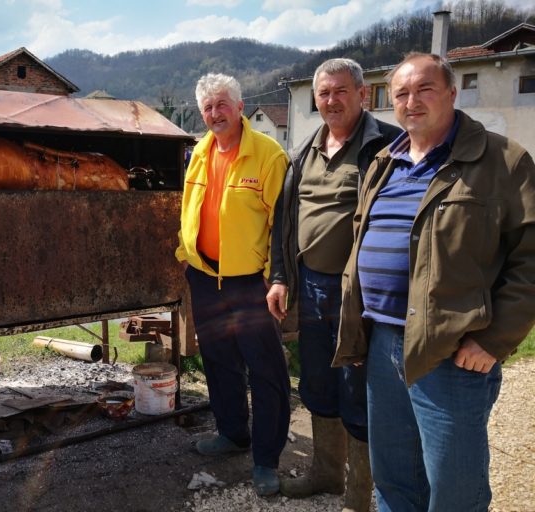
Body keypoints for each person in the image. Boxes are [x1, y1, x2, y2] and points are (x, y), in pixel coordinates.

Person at [333, 52, 535, 511]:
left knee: (453, 491)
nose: (411, 101)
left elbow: (530, 259)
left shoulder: (501, 161)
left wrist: (495, 339)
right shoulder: (384, 162)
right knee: (394, 482)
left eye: (424, 89)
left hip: (450, 351)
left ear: (451, 93)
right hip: (382, 342)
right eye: (401, 93)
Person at [266, 58, 399, 511]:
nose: (330, 100)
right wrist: (281, 277)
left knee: (358, 389)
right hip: (312, 288)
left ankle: (359, 493)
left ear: (363, 94)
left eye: (340, 91)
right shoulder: (305, 151)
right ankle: (325, 473)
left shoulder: (386, 146)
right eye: (323, 93)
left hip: (361, 294)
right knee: (319, 383)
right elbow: (285, 220)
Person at [175, 73, 291, 496]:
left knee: (265, 371)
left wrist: (276, 277)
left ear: (241, 107)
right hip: (206, 278)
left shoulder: (268, 155)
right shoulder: (200, 153)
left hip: (249, 282)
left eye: (222, 104)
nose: (214, 113)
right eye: (207, 107)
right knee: (219, 360)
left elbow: (284, 226)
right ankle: (232, 433)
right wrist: (185, 252)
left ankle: (266, 459)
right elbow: (190, 208)